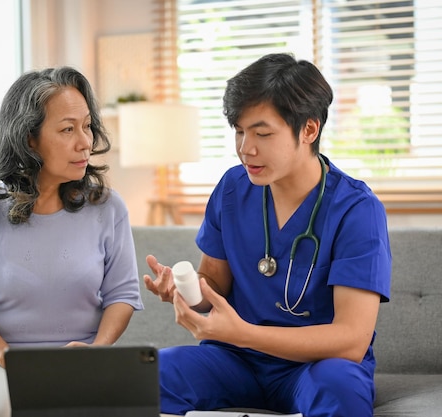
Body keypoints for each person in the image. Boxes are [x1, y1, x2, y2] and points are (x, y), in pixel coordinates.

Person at [144, 53, 391, 416]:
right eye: (240, 132)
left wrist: (240, 332)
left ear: (309, 129)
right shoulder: (232, 188)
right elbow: (213, 282)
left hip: (313, 367)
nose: (246, 148)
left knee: (340, 389)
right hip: (234, 362)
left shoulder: (357, 209)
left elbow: (352, 340)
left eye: (262, 133)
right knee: (147, 376)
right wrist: (187, 292)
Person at [0, 66, 143, 417]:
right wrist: (17, 363)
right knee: (8, 405)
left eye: (86, 126)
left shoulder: (108, 208)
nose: (85, 141)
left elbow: (122, 297)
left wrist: (98, 349)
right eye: (67, 129)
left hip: (83, 362)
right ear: (28, 139)